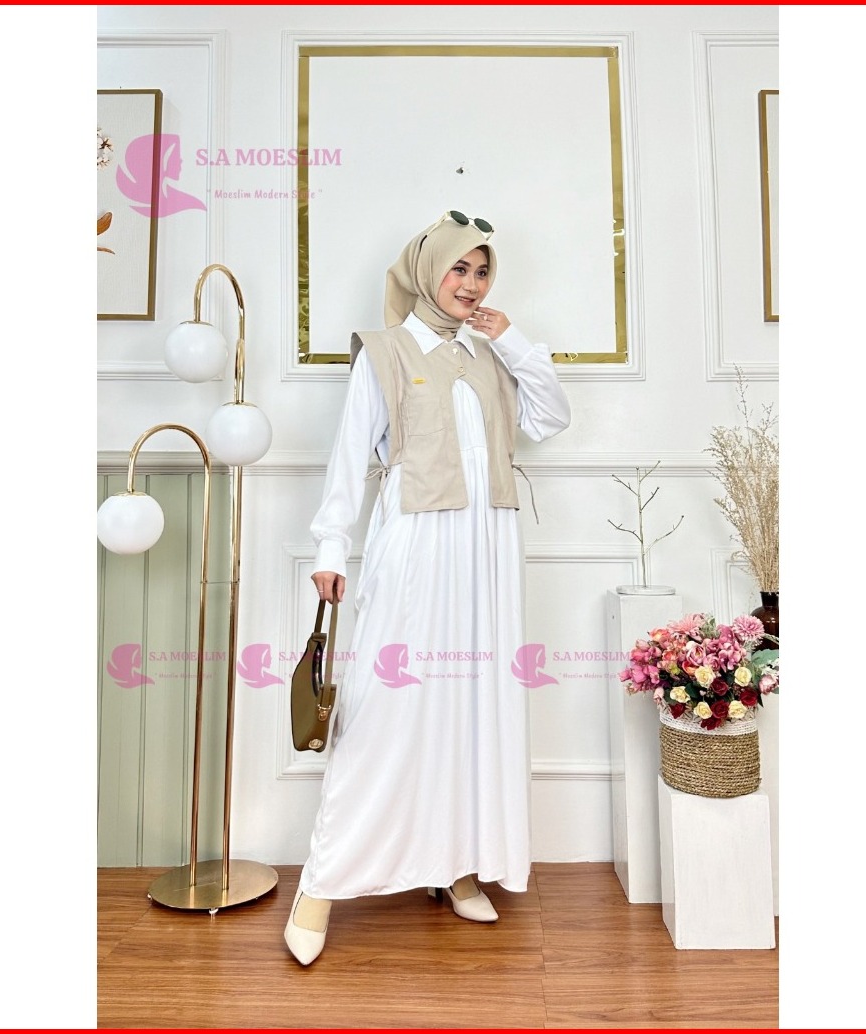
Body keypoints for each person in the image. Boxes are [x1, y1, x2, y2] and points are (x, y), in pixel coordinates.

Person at [284, 210, 571, 965]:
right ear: (426, 271)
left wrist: (513, 341)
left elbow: (551, 417)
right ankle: (320, 885)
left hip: (488, 552)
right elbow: (350, 456)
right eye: (459, 269)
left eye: (482, 272)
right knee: (388, 712)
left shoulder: (489, 353)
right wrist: (331, 547)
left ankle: (459, 865)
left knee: (472, 709)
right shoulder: (383, 352)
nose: (471, 285)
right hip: (416, 547)